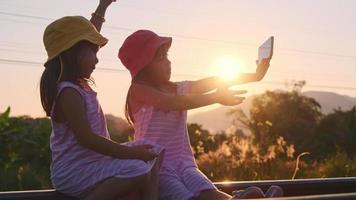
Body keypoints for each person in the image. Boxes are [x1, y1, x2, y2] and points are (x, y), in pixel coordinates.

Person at [118, 30, 283, 200]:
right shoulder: (139, 90)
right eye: (161, 58)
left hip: (184, 163)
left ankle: (241, 199)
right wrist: (215, 97)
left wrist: (255, 76)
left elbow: (213, 81)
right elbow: (174, 103)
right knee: (186, 197)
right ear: (144, 67)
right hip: (158, 168)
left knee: (208, 192)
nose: (168, 63)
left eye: (167, 56)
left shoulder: (176, 88)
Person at [40, 1, 161, 200]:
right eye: (93, 53)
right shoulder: (68, 92)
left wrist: (103, 6)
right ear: (72, 53)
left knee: (152, 152)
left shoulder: (78, 83)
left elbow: (90, 32)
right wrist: (131, 153)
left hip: (93, 163)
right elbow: (87, 139)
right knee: (138, 169)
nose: (97, 59)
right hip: (75, 172)